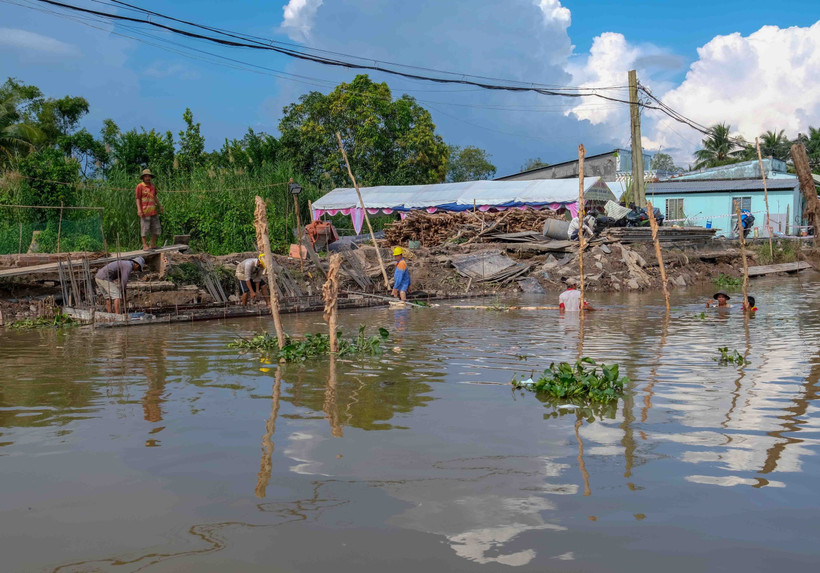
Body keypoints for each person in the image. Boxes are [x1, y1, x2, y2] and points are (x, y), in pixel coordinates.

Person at [135, 168, 163, 250]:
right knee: (145, 229)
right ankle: (144, 245)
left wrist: (160, 206)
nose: (147, 178)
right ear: (143, 177)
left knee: (156, 228)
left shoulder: (153, 186)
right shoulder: (140, 186)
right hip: (145, 211)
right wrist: (139, 210)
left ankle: (152, 244)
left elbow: (154, 197)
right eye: (146, 176)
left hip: (153, 211)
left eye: (149, 176)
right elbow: (137, 198)